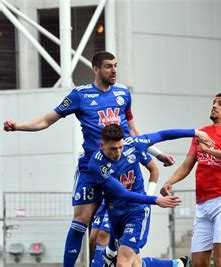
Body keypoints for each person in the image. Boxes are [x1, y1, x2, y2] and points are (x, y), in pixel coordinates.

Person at [3, 51, 174, 266]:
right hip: (92, 168)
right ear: (95, 69)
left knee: (111, 236)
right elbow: (47, 120)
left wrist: (157, 153)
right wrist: (18, 127)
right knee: (80, 222)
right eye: (108, 66)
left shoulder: (123, 93)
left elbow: (132, 132)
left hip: (120, 168)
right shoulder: (80, 95)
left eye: (116, 65)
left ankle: (167, 263)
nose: (114, 70)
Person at [90, 124, 213, 266]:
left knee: (122, 263)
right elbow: (122, 193)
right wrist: (156, 200)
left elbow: (162, 134)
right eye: (113, 149)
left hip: (136, 212)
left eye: (120, 147)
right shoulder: (96, 164)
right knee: (136, 264)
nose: (118, 152)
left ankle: (109, 254)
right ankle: (176, 264)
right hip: (115, 213)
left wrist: (195, 132)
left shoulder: (134, 144)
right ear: (102, 145)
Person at [160, 93, 221, 267]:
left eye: (220, 103)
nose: (214, 105)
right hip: (202, 205)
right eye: (214, 102)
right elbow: (187, 165)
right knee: (198, 264)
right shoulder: (202, 133)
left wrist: (209, 151)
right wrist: (169, 182)